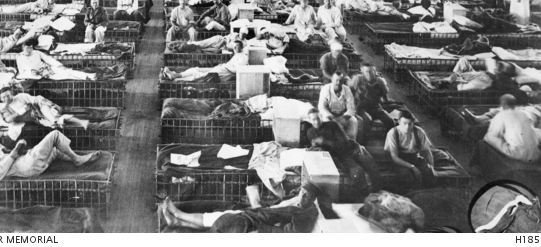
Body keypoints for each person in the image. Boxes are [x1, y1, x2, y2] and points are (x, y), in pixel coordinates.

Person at [160, 184, 321, 233]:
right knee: (219, 216)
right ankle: (177, 219)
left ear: (313, 199)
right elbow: (274, 206)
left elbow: (286, 233)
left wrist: (261, 228)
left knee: (225, 223)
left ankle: (177, 216)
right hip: (257, 213)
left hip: (259, 226)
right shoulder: (293, 199)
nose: (302, 197)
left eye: (306, 196)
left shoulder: (305, 214)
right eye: (302, 192)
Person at [0, 131, 101, 184]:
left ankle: (77, 158)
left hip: (26, 162)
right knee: (55, 135)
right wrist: (12, 154)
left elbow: (8, 155)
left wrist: (17, 149)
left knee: (54, 149)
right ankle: (77, 159)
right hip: (25, 166)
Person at [306, 108, 381, 197]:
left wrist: (325, 141)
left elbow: (344, 143)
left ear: (321, 117)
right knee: (357, 172)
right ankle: (365, 197)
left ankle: (378, 191)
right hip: (341, 156)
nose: (316, 121)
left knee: (370, 164)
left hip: (352, 148)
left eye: (318, 118)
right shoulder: (310, 132)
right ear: (309, 120)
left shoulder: (332, 125)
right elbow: (320, 150)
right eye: (313, 119)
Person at [384, 110, 435, 190]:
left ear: (413, 123)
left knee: (430, 174)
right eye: (404, 123)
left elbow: (427, 152)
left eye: (410, 124)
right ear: (399, 122)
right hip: (400, 161)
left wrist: (432, 166)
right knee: (408, 177)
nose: (407, 127)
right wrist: (412, 167)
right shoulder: (393, 133)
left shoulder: (419, 132)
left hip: (415, 158)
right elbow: (394, 157)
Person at [484, 94, 540, 163]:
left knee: (488, 136)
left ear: (503, 104)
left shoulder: (501, 115)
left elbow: (494, 133)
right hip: (536, 154)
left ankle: (486, 163)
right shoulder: (525, 113)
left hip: (518, 153)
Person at [0, 87, 89, 129]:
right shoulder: (5, 108)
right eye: (4, 97)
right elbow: (7, 119)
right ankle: (80, 122)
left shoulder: (20, 96)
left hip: (41, 108)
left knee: (54, 120)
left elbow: (35, 99)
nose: (6, 98)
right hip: (37, 118)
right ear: (0, 98)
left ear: (12, 94)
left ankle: (82, 122)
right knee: (54, 124)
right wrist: (23, 110)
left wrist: (50, 103)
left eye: (8, 96)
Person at [162, 40, 248, 82]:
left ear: (242, 47)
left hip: (225, 73)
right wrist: (223, 65)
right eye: (235, 46)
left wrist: (225, 66)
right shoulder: (236, 54)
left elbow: (238, 70)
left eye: (238, 46)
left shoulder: (243, 57)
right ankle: (176, 75)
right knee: (197, 69)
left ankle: (176, 77)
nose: (236, 48)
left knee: (203, 75)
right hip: (222, 68)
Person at [15, 39, 94, 80]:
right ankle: (86, 77)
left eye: (31, 47)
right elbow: (21, 72)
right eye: (27, 48)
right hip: (38, 74)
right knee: (65, 76)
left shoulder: (36, 52)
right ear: (23, 48)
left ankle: (88, 76)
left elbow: (48, 59)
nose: (29, 50)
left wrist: (59, 65)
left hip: (47, 68)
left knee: (65, 71)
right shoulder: (20, 58)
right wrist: (30, 72)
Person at [349, 65, 394, 132]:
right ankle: (365, 141)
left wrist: (388, 103)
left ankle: (389, 139)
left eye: (371, 71)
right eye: (367, 71)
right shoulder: (358, 79)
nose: (369, 74)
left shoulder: (380, 81)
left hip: (375, 107)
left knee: (390, 121)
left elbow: (385, 95)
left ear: (375, 71)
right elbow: (349, 91)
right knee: (367, 120)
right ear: (363, 71)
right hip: (361, 107)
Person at [318, 72, 359, 141]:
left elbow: (351, 107)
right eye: (336, 80)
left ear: (343, 81)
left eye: (340, 80)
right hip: (330, 116)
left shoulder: (347, 90)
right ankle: (329, 145)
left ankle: (350, 143)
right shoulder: (325, 89)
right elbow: (321, 107)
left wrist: (344, 117)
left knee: (353, 121)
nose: (338, 83)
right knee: (325, 122)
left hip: (342, 116)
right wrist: (331, 117)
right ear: (332, 80)